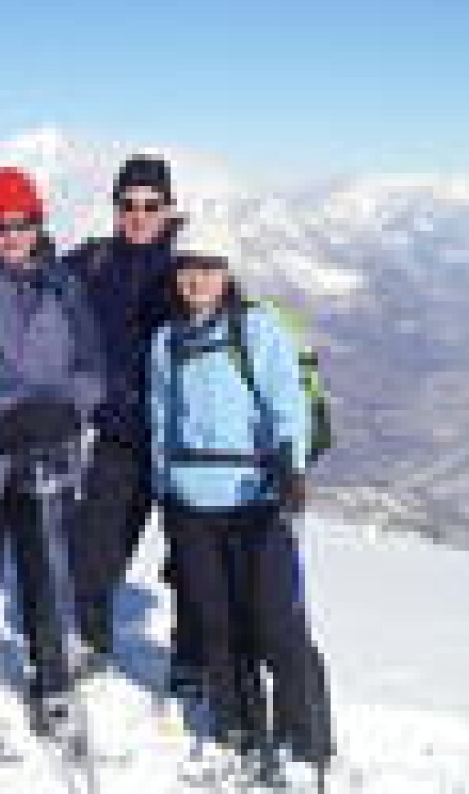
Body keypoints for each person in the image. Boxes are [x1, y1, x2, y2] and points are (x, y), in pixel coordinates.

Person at [0, 167, 105, 750]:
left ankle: (52, 682)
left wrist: (65, 412)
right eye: (0, 225)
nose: (12, 235)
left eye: (22, 223)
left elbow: (91, 368)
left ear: (38, 224)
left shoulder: (64, 286)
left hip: (48, 451)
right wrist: (1, 418)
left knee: (46, 573)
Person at [150, 214, 313, 786]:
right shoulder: (166, 340)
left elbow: (286, 404)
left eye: (209, 267)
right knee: (218, 624)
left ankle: (307, 738)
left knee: (274, 623)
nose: (196, 279)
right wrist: (160, 487)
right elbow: (161, 419)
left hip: (255, 497)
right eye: (188, 267)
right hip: (191, 503)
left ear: (227, 273)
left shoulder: (257, 331)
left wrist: (290, 467)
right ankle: (236, 728)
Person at [64, 156, 182, 673]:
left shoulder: (189, 268)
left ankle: (192, 660)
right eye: (127, 205)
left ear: (168, 208)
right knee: (98, 549)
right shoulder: (93, 264)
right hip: (117, 434)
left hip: (180, 441)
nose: (138, 215)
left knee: (192, 562)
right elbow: (30, 275)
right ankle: (91, 641)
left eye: (149, 206)